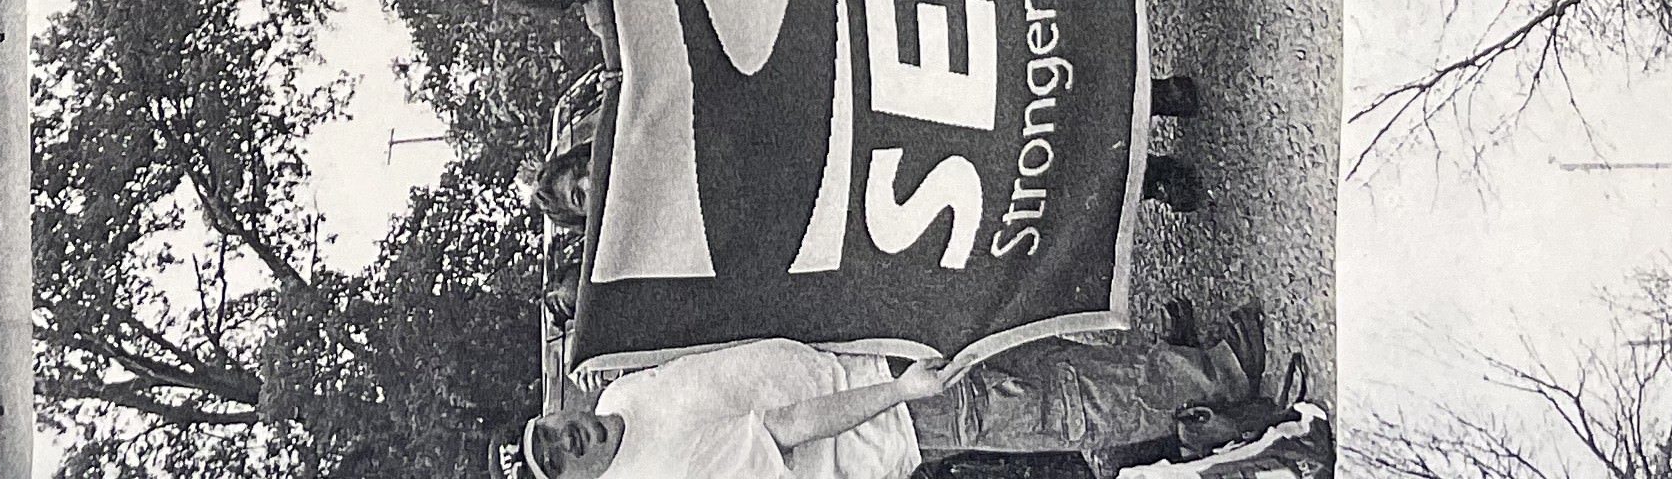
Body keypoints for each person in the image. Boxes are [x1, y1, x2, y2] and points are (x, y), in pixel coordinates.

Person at [518, 313, 1266, 479]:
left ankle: (1194, 376)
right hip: (888, 414)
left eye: (549, 434)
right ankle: (1218, 382)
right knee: (1052, 404)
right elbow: (783, 427)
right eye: (555, 463)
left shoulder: (625, 393)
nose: (565, 444)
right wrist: (895, 391)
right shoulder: (654, 473)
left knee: (1040, 357)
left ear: (557, 412)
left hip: (867, 361)